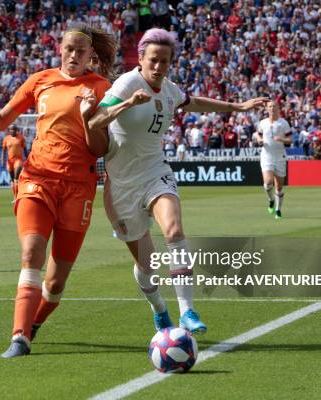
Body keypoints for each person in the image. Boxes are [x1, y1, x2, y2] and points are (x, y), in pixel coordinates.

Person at [88, 28, 268, 334]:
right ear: (141, 59)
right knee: (147, 267)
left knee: (174, 230)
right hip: (121, 187)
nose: (159, 67)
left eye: (165, 61)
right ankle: (159, 308)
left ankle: (187, 311)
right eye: (154, 60)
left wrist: (235, 107)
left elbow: (192, 101)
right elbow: (94, 120)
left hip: (156, 173)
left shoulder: (169, 90)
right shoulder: (127, 83)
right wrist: (128, 103)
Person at [0, 23, 116, 358]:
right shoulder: (40, 80)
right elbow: (2, 118)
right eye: (69, 48)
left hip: (79, 187)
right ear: (60, 48)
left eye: (81, 51)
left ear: (91, 55)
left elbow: (100, 148)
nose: (74, 55)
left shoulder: (101, 88)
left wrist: (90, 116)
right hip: (37, 178)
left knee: (56, 283)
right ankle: (20, 337)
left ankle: (33, 323)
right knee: (31, 254)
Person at [256, 100, 292, 219]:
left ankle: (278, 210)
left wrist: (282, 139)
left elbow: (290, 140)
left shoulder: (283, 123)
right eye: (270, 107)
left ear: (278, 108)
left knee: (279, 186)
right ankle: (271, 200)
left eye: (274, 106)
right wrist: (259, 140)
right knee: (267, 182)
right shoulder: (263, 123)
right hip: (267, 156)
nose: (272, 109)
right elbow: (258, 134)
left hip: (280, 157)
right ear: (267, 109)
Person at [1, 125, 27, 203]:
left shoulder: (21, 138)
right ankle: (15, 196)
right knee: (12, 180)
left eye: (14, 129)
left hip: (18, 160)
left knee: (16, 178)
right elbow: (4, 151)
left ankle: (17, 197)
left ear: (17, 130)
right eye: (11, 129)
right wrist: (2, 160)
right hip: (9, 161)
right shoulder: (6, 139)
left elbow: (25, 149)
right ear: (9, 130)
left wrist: (28, 158)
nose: (13, 131)